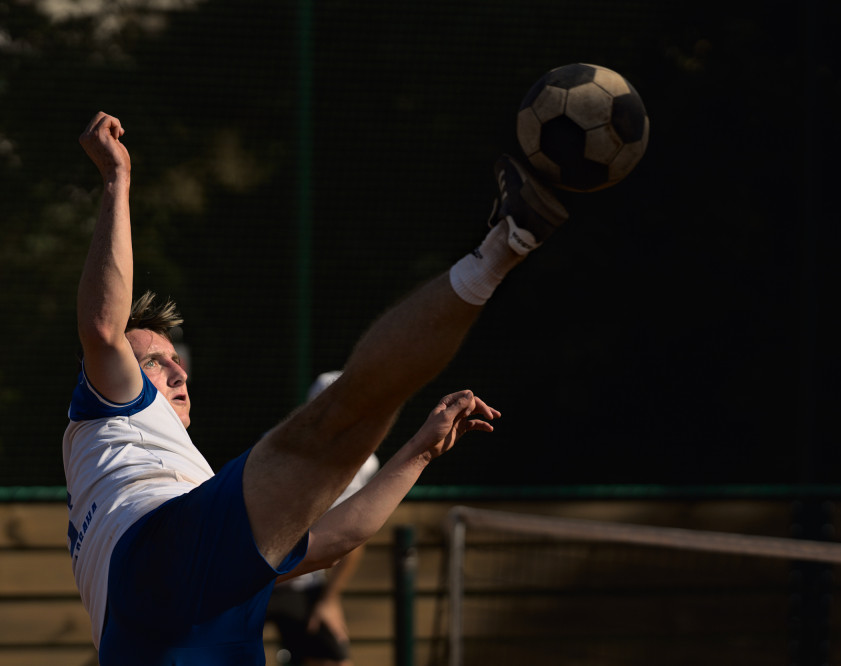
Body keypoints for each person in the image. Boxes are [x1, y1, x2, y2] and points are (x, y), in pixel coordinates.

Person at [63, 110, 568, 664]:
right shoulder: (103, 415)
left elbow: (327, 543)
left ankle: (503, 246)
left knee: (345, 420)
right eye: (154, 363)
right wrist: (116, 180)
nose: (179, 371)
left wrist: (419, 453)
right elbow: (103, 328)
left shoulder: (178, 481)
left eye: (175, 360)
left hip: (185, 630)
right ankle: (502, 247)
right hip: (154, 563)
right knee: (339, 416)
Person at [266, 371, 380, 666]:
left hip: (295, 583)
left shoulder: (359, 461)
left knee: (333, 656)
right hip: (247, 579)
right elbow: (349, 537)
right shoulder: (281, 450)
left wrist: (329, 600)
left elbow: (350, 538)